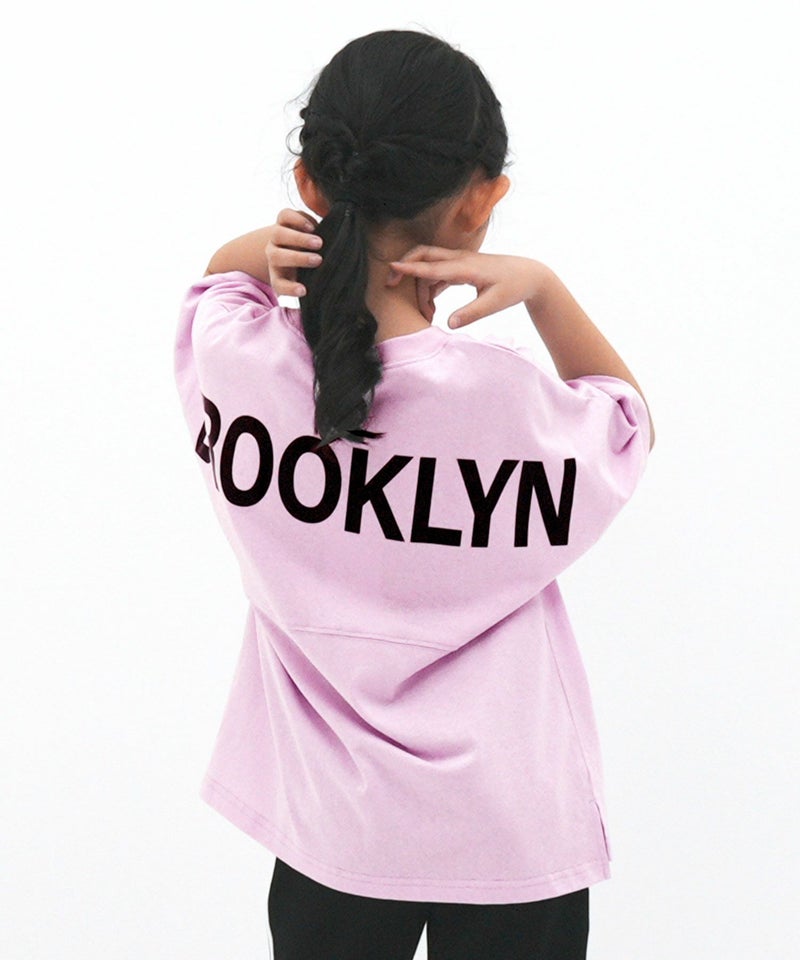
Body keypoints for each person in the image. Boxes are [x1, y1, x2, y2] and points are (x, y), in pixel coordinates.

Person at [173, 28, 654, 960]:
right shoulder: (506, 402)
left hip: (332, 824)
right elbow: (627, 419)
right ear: (481, 202)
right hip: (509, 830)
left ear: (309, 184)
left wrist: (270, 246)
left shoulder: (239, 361)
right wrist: (546, 292)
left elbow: (218, 282)